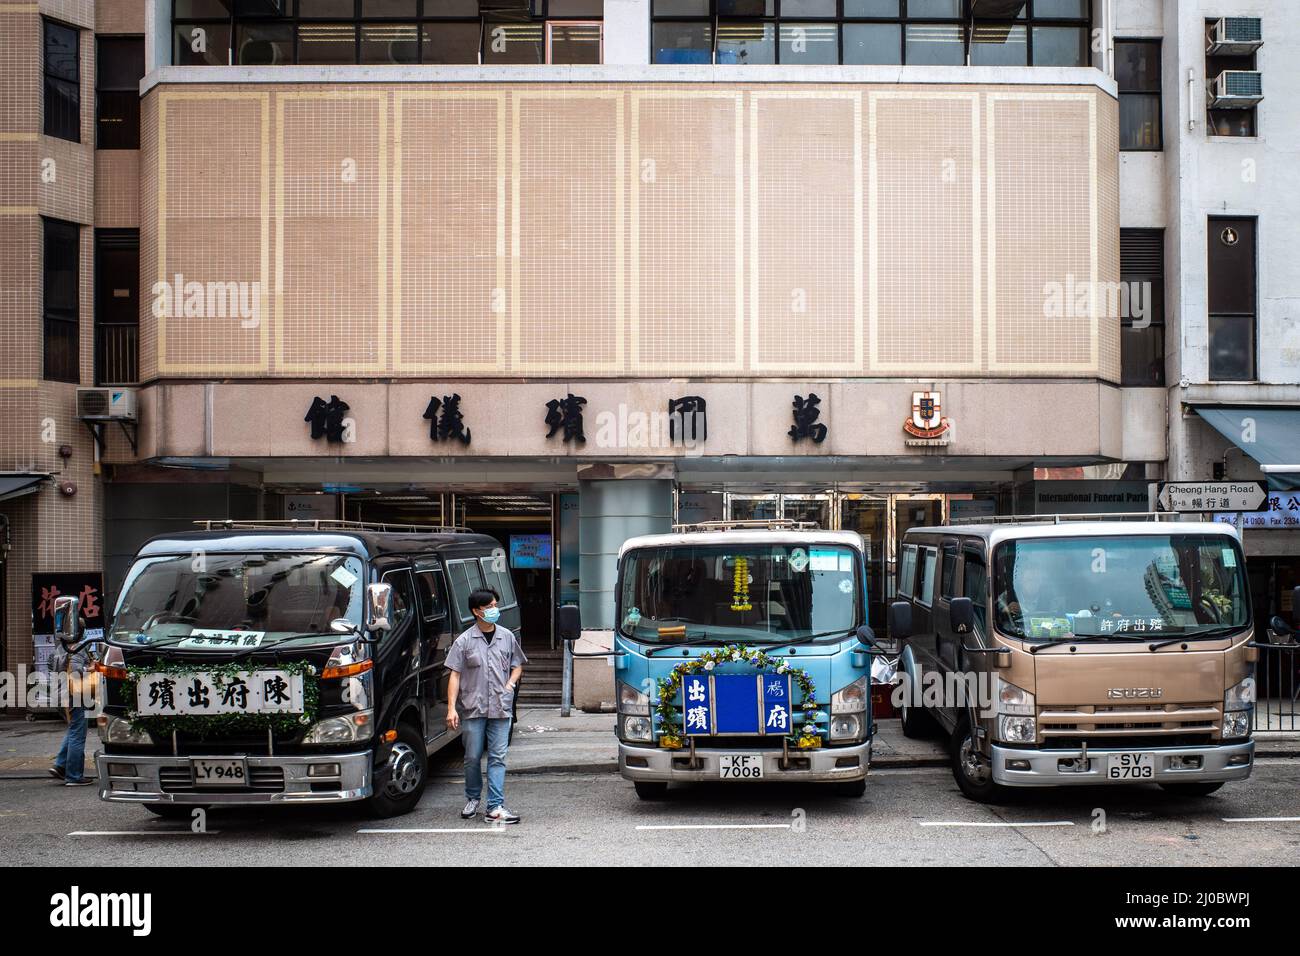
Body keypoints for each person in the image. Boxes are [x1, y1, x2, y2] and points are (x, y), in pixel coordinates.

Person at [445, 588, 526, 824]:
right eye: (489, 606)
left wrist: (510, 683)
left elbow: (517, 665)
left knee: (498, 757)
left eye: (494, 605)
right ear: (476, 611)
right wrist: (451, 708)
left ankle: (495, 806)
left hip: (500, 708)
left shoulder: (506, 637)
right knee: (472, 757)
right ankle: (472, 798)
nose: (494, 610)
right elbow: (455, 675)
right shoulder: (464, 641)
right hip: (473, 707)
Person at [50, 630, 97, 787]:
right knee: (78, 733)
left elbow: (51, 665)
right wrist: (89, 669)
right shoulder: (78, 647)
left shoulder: (60, 647)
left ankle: (60, 765)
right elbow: (76, 671)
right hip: (75, 693)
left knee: (73, 729)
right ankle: (74, 776)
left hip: (62, 692)